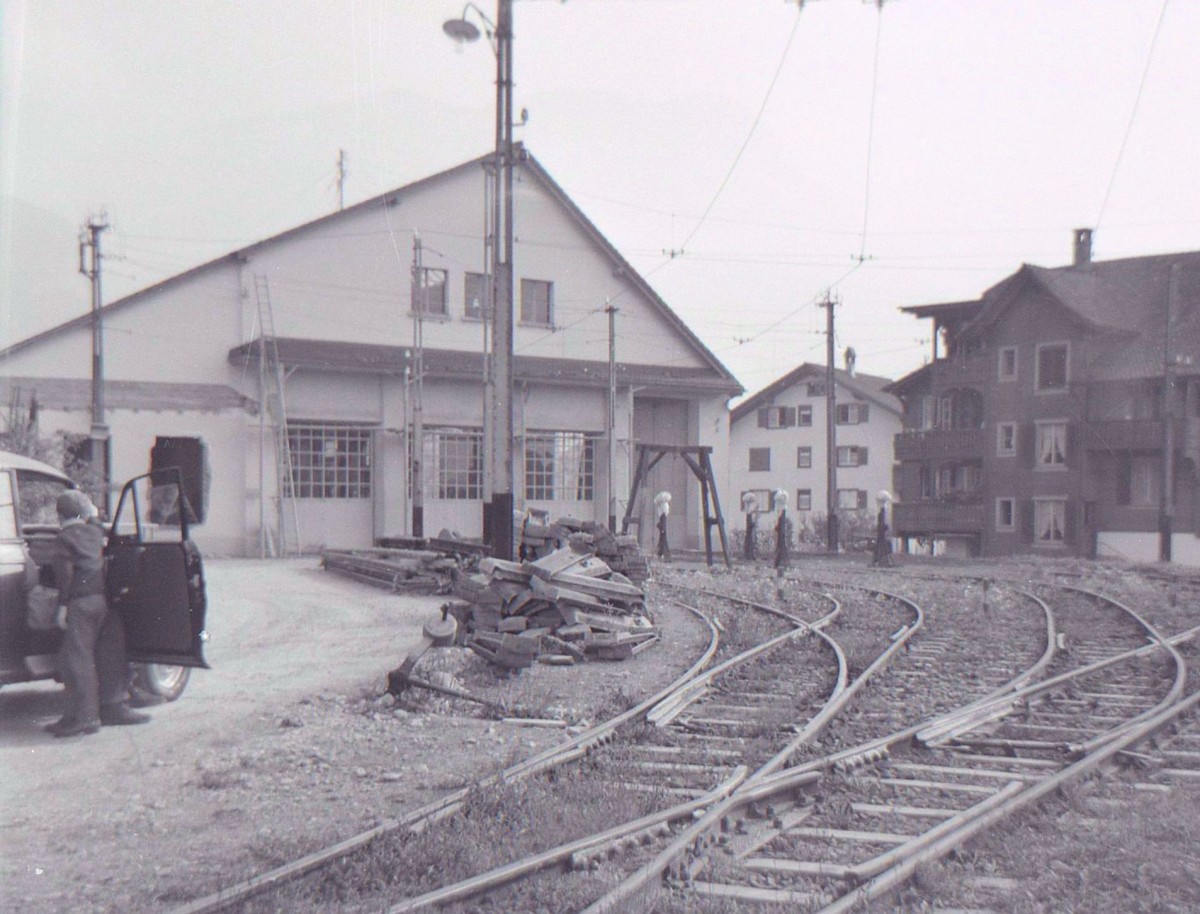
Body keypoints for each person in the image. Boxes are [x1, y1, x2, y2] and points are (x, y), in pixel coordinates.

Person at [41, 490, 150, 737]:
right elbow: (97, 523)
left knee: (77, 660)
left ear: (59, 515)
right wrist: (91, 514)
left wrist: (62, 607)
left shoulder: (63, 539)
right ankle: (109, 706)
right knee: (102, 655)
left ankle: (86, 718)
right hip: (101, 602)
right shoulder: (94, 532)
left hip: (79, 603)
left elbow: (65, 576)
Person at [872, 490, 896, 568]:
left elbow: (882, 523)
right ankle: (880, 561)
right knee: (882, 546)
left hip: (881, 532)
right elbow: (883, 523)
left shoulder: (882, 512)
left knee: (880, 546)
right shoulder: (883, 512)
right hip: (882, 532)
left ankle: (877, 561)